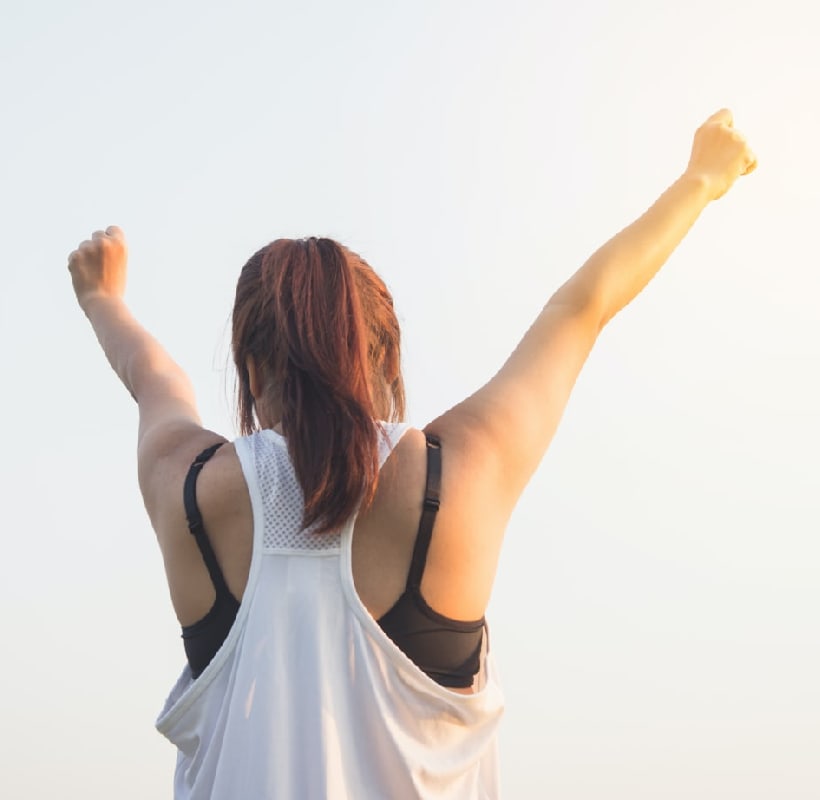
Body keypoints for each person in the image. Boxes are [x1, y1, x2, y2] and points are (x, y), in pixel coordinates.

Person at [68, 109, 756, 799]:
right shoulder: (458, 478)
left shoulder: (189, 492)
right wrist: (700, 179)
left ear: (249, 370)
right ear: (387, 359)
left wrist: (102, 297)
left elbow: (154, 377)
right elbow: (581, 308)